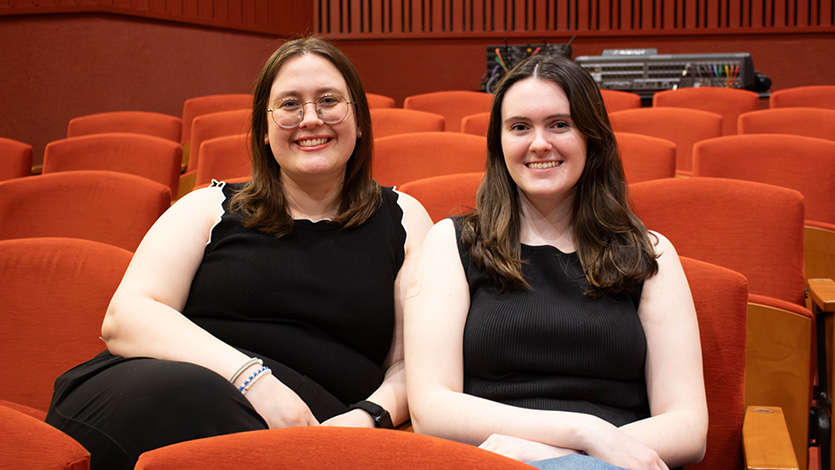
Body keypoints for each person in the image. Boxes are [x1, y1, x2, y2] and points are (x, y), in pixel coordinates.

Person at [45, 37, 432, 470]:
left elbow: (414, 365)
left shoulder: (404, 219)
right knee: (195, 397)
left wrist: (366, 420)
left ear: (358, 120)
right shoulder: (207, 207)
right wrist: (254, 381)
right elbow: (125, 318)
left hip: (315, 422)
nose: (310, 119)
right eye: (289, 105)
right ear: (264, 131)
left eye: (328, 101)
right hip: (154, 395)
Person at [403, 54, 708, 470]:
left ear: (592, 137)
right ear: (500, 144)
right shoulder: (453, 243)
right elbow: (432, 409)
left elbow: (688, 427)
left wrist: (566, 455)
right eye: (520, 127)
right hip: (496, 461)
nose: (539, 143)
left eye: (559, 124)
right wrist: (581, 432)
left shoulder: (649, 253)